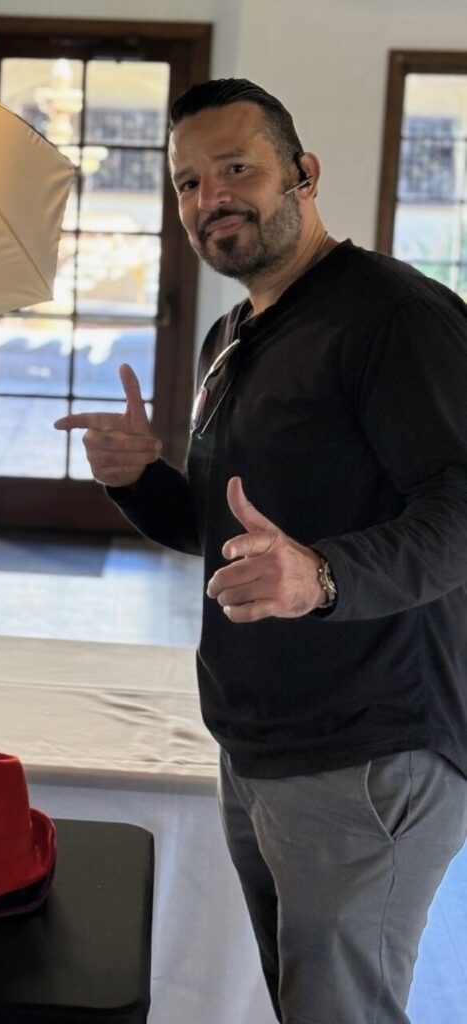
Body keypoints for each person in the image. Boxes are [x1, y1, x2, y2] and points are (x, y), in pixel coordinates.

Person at [54, 78, 467, 1024]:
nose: (211, 198)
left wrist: (321, 577)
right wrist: (138, 479)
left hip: (371, 749)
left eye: (237, 168)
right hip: (261, 742)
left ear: (303, 174)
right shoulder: (232, 334)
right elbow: (226, 536)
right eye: (188, 182)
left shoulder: (393, 317)